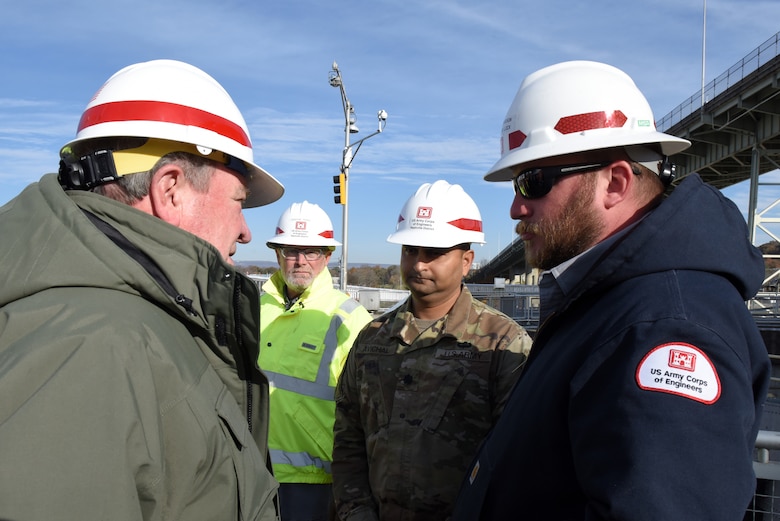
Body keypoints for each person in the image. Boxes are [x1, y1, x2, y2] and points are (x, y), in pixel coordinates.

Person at [451, 60, 772, 521]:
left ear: (616, 182)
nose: (516, 207)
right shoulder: (611, 302)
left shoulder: (666, 328)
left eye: (533, 181)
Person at [0, 59, 285, 521]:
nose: (246, 231)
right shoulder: (92, 348)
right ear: (172, 189)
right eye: (238, 201)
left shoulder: (133, 320)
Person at [332, 179, 533, 521]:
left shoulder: (501, 343)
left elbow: (520, 462)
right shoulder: (372, 338)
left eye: (434, 253)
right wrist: (356, 512)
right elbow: (349, 437)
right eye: (410, 250)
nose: (419, 264)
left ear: (467, 260)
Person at [259, 201, 373, 521]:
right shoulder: (253, 309)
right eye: (291, 251)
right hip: (251, 468)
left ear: (327, 256)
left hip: (313, 482)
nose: (300, 261)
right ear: (277, 253)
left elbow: (366, 411)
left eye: (311, 252)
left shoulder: (347, 319)